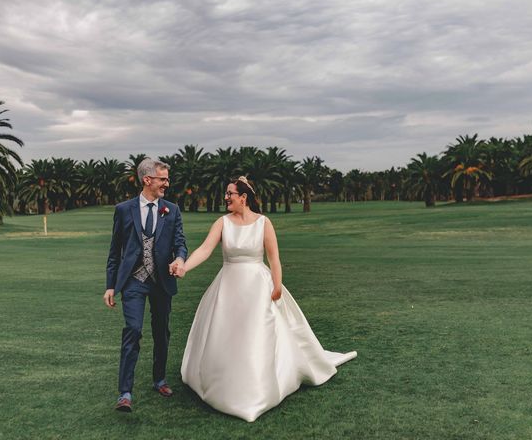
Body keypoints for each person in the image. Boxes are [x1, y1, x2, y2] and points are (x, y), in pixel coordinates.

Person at [176, 176, 356, 422]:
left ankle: (257, 387)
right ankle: (224, 382)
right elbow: (205, 249)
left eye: (230, 194)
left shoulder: (263, 223)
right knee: (226, 333)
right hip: (228, 285)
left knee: (257, 334)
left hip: (258, 285)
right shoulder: (222, 222)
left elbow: (274, 258)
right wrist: (185, 267)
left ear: (243, 197)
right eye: (226, 194)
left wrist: (277, 284)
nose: (226, 197)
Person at [103, 158, 187, 413]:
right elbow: (115, 251)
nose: (167, 184)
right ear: (147, 180)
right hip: (133, 282)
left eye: (167, 179)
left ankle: (159, 379)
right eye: (163, 179)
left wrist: (180, 259)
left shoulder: (171, 210)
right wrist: (110, 286)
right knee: (133, 329)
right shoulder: (123, 209)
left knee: (161, 331)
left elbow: (180, 243)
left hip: (162, 281)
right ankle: (125, 393)